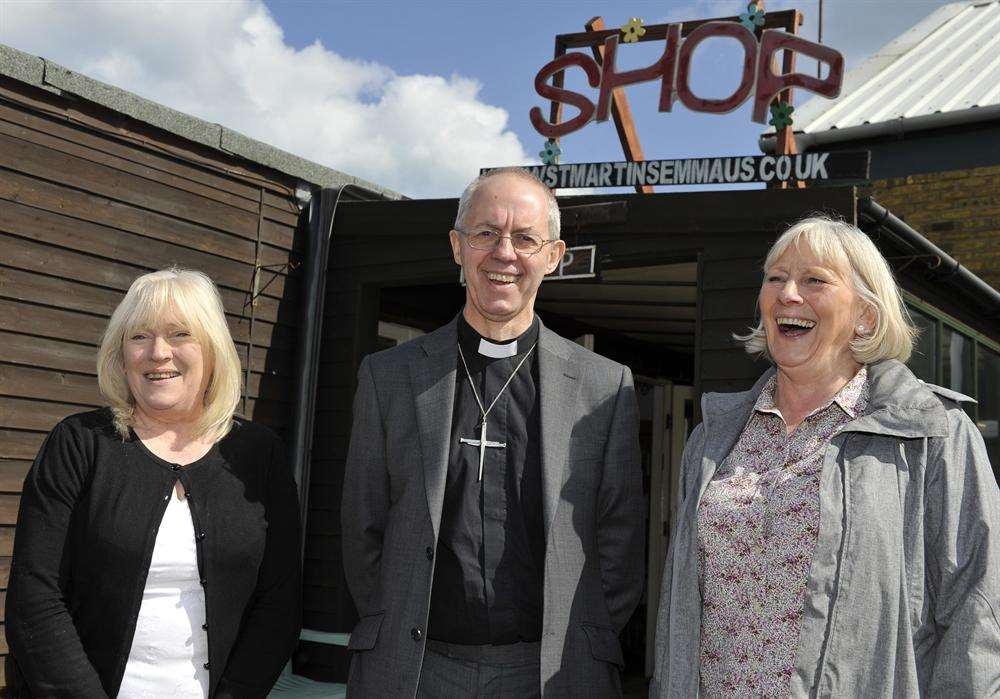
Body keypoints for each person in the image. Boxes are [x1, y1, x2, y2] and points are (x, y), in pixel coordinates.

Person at [651, 216, 1000, 697]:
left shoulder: (934, 433)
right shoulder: (715, 436)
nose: (787, 294)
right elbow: (678, 612)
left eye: (814, 280)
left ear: (865, 315)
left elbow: (977, 611)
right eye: (776, 278)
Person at [341, 167, 644, 697]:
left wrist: (574, 639)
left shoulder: (605, 386)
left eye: (525, 239)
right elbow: (363, 528)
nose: (504, 253)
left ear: (553, 256)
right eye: (486, 234)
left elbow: (620, 546)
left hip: (549, 672)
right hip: (417, 669)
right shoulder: (389, 377)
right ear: (458, 247)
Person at [6, 269, 302, 698]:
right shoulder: (78, 444)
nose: (158, 353)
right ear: (120, 354)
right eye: (139, 336)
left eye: (180, 334)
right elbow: (34, 600)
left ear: (213, 350)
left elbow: (279, 600)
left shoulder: (259, 455)